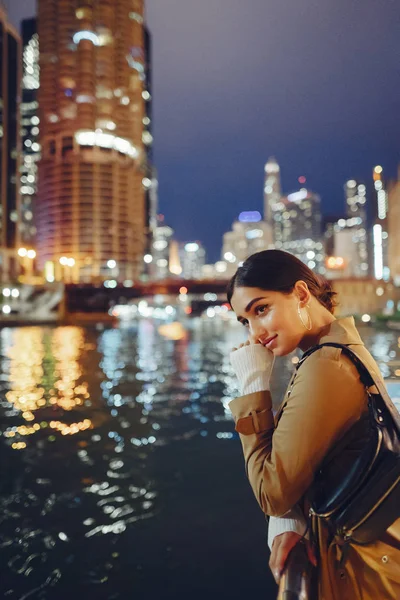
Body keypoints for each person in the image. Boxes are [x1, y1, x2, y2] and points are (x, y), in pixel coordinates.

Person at [227, 249, 400, 600]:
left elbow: (272, 493)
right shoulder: (336, 346)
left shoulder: (326, 365)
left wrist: (252, 385)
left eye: (262, 309)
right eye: (245, 321)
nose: (256, 332)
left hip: (361, 574)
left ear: (302, 294)